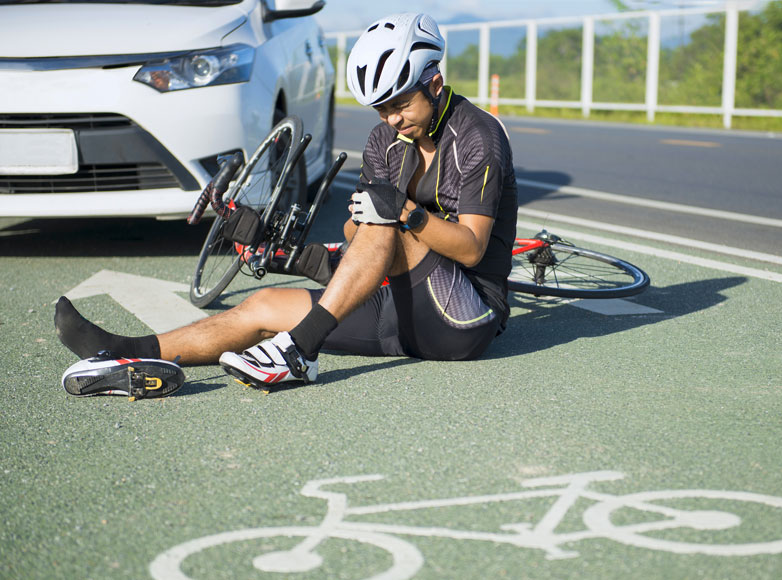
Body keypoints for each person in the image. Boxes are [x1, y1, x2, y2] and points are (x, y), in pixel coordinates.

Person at [55, 12, 518, 397]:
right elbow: (356, 237)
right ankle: (124, 351)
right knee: (261, 305)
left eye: (400, 104)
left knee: (385, 216)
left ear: (434, 84)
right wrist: (366, 220)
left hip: (464, 316)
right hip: (399, 311)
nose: (393, 119)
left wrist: (404, 213)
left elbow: (472, 248)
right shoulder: (386, 140)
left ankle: (299, 350)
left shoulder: (478, 136)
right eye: (381, 110)